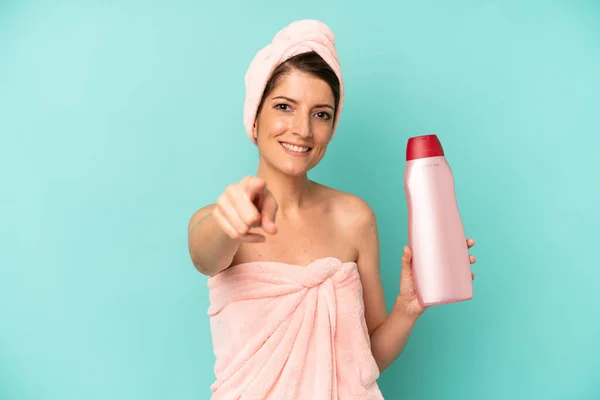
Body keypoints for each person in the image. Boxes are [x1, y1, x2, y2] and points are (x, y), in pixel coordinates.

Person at [187, 19, 477, 399]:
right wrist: (231, 221)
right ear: (254, 118)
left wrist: (408, 308)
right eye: (284, 107)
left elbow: (365, 357)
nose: (303, 129)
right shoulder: (220, 220)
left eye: (320, 113)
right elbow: (205, 253)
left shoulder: (355, 218)